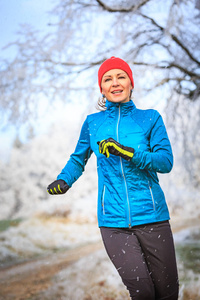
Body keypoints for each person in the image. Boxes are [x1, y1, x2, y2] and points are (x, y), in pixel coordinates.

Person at [47, 56, 179, 300]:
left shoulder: (150, 118)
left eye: (121, 77)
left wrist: (127, 152)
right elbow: (78, 159)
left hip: (153, 217)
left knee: (167, 293)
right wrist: (64, 180)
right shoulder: (92, 123)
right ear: (102, 88)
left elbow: (165, 162)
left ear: (131, 84)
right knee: (143, 293)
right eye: (108, 79)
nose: (115, 83)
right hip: (113, 223)